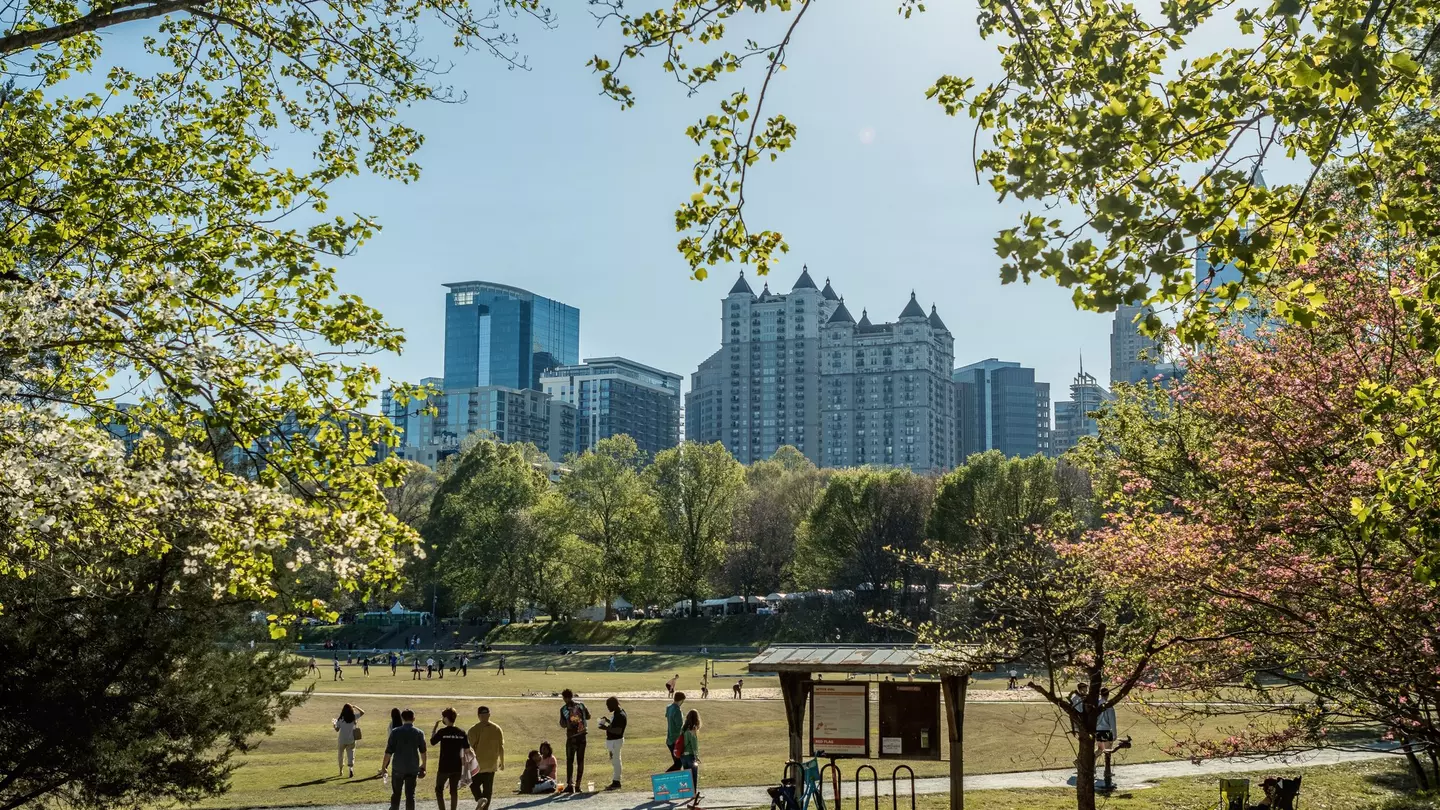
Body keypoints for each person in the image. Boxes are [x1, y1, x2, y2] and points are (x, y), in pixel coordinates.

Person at [382, 709, 428, 810]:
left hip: (398, 768)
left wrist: (384, 766)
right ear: (414, 719)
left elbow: (389, 751)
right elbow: (423, 751)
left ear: (402, 718)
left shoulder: (395, 732)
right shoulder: (419, 733)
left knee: (396, 794)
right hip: (412, 767)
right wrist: (424, 765)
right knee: (410, 795)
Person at [431, 708, 471, 810]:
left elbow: (432, 742)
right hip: (456, 766)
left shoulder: (442, 732)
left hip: (444, 767)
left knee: (439, 789)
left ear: (445, 718)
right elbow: (467, 749)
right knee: (453, 791)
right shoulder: (461, 732)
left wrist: (434, 729)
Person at [467, 706, 505, 810]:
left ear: (478, 716)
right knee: (488, 790)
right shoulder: (497, 728)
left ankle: (479, 799)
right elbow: (501, 747)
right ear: (489, 714)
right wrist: (502, 761)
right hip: (491, 765)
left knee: (472, 784)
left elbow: (469, 748)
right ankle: (484, 808)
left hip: (477, 765)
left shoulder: (474, 729)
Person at [558, 688, 590, 792]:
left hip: (571, 738)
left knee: (570, 761)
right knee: (580, 761)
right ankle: (578, 785)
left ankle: (570, 785)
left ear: (564, 698)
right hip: (582, 736)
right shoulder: (581, 705)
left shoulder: (563, 709)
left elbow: (562, 724)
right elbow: (588, 716)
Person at [333, 703, 366, 778]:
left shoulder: (341, 719)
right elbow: (362, 712)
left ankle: (341, 770)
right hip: (351, 740)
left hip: (342, 740)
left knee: (340, 755)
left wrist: (334, 725)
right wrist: (355, 706)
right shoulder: (353, 717)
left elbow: (337, 729)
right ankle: (351, 769)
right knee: (351, 755)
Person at [600, 696, 626, 790]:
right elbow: (615, 724)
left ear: (613, 705)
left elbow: (618, 730)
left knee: (616, 761)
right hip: (613, 741)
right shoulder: (617, 712)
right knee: (615, 761)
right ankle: (616, 780)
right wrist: (607, 721)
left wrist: (606, 728)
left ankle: (616, 781)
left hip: (616, 741)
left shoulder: (620, 715)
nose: (608, 708)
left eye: (608, 706)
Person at [680, 709, 702, 808]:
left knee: (687, 775)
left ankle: (689, 793)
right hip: (690, 755)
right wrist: (697, 756)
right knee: (694, 775)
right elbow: (694, 745)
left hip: (683, 756)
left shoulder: (683, 728)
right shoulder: (692, 730)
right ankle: (693, 794)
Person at [664, 691, 686, 772]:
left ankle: (673, 781)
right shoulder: (677, 710)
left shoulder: (669, 707)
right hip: (676, 741)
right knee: (678, 764)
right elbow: (680, 726)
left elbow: (667, 715)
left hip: (669, 739)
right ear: (680, 700)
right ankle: (665, 777)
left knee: (677, 763)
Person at [1096, 687, 1117, 756]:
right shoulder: (1109, 706)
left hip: (1098, 730)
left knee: (1100, 749)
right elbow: (1112, 721)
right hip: (1106, 730)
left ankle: (1092, 763)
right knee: (1108, 751)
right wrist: (1114, 734)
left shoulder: (1097, 704)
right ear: (1108, 694)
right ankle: (1107, 766)